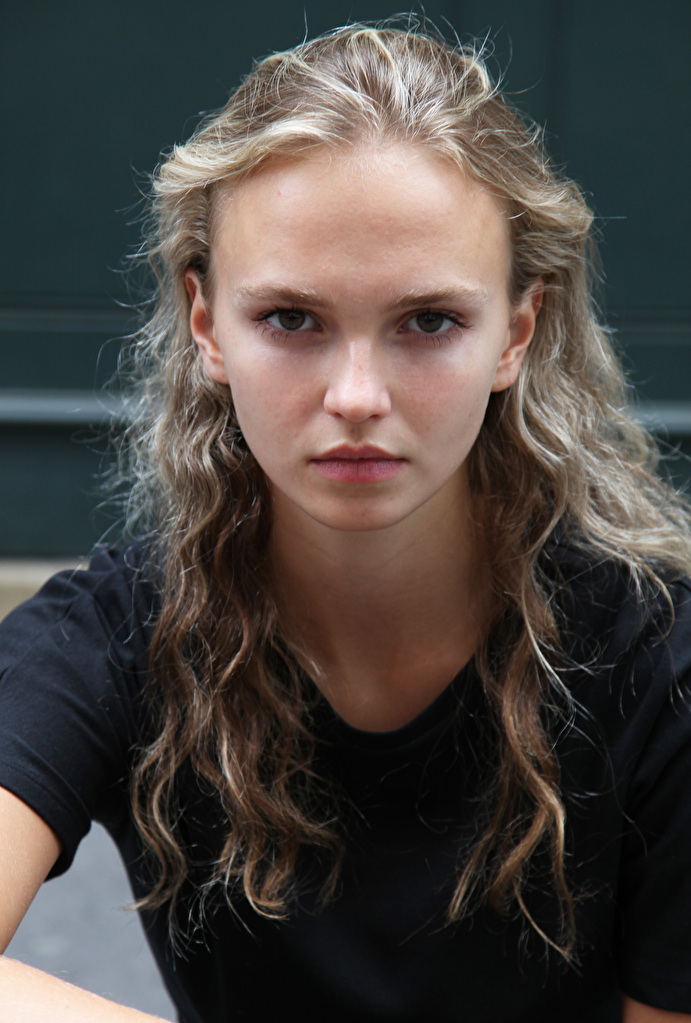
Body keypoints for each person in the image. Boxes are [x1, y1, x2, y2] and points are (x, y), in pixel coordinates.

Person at [1, 21, 690, 1023]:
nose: (356, 395)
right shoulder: (111, 639)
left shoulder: (659, 664)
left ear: (517, 332)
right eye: (291, 319)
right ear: (207, 325)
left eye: (427, 321)